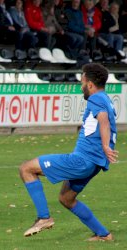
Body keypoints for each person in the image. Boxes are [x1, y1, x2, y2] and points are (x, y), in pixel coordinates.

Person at [19, 63, 118, 241]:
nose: (81, 87)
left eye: (82, 82)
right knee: (66, 198)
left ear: (90, 84)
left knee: (26, 169)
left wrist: (105, 146)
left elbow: (103, 120)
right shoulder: (106, 99)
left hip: (83, 160)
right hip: (94, 163)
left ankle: (44, 217)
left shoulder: (96, 99)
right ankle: (104, 234)